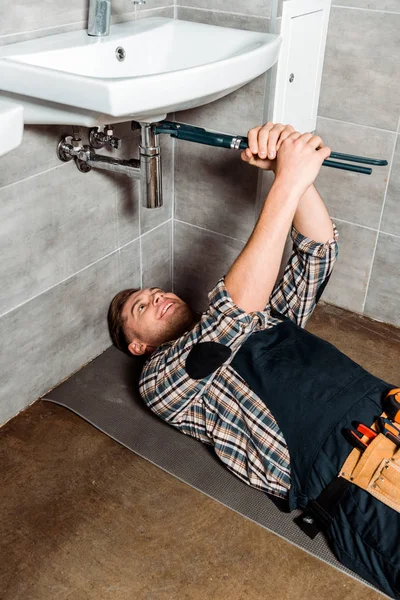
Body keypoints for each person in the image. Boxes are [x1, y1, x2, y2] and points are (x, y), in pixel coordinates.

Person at [108, 122, 400, 598]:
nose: (157, 297)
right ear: (136, 344)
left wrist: (289, 170)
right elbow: (228, 317)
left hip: (390, 408)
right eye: (141, 307)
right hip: (354, 480)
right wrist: (286, 181)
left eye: (156, 291)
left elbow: (317, 255)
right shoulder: (161, 382)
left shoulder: (262, 316)